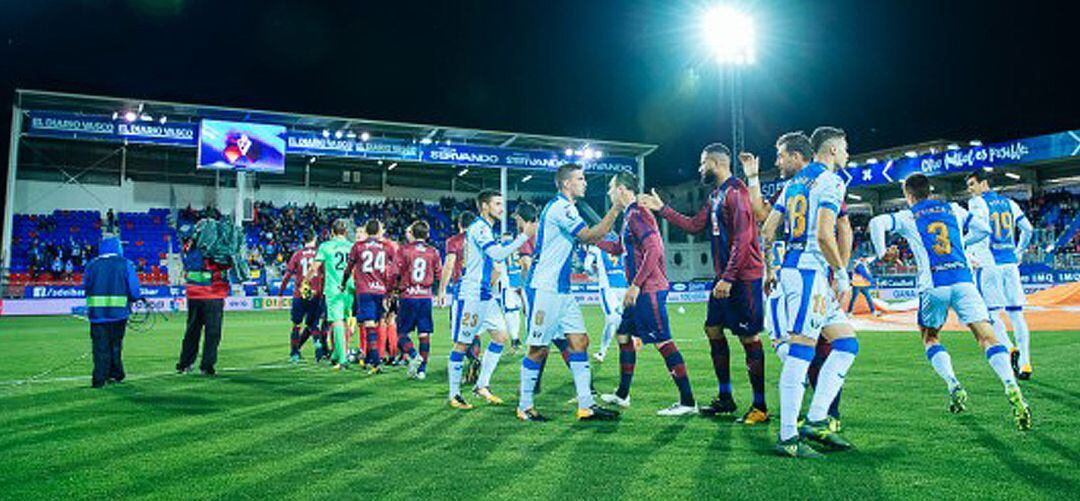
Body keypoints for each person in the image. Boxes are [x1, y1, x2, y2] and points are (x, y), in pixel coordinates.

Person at [870, 173, 1032, 429]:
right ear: (929, 190)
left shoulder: (907, 215)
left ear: (908, 194)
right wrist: (961, 243)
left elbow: (876, 223)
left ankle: (953, 384)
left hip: (933, 284)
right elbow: (984, 229)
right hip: (964, 280)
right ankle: (1010, 385)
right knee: (987, 337)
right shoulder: (953, 208)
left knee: (930, 337)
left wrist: (882, 252)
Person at [638, 142, 768, 424]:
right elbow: (695, 225)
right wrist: (663, 209)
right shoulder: (716, 195)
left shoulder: (737, 192)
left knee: (749, 338)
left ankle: (760, 407)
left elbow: (744, 240)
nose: (699, 168)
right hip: (725, 278)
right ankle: (726, 397)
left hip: (743, 278)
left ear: (716, 163)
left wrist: (729, 277)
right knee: (712, 329)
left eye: (702, 163)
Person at [760, 126, 859, 458]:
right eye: (844, 148)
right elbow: (823, 235)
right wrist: (842, 275)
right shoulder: (831, 181)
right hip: (808, 274)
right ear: (831, 151)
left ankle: (816, 420)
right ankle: (788, 438)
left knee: (846, 344)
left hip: (797, 270)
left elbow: (768, 229)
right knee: (802, 352)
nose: (847, 154)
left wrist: (771, 268)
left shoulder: (792, 184)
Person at [516, 163, 622, 422]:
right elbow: (588, 235)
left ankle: (586, 405)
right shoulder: (561, 207)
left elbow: (593, 237)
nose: (585, 182)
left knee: (579, 342)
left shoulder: (567, 207)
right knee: (538, 349)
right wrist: (617, 208)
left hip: (562, 289)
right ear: (566, 184)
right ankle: (524, 406)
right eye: (580, 178)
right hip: (546, 288)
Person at [597, 172, 697, 416]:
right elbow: (620, 248)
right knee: (623, 335)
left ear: (621, 189)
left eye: (611, 188)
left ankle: (688, 401)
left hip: (648, 290)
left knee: (663, 342)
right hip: (641, 291)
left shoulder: (637, 214)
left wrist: (636, 285)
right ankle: (622, 394)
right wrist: (592, 240)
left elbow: (654, 248)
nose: (610, 193)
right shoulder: (630, 216)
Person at [447, 190, 535, 409]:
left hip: (485, 293)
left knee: (500, 336)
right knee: (462, 343)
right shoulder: (479, 228)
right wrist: (524, 237)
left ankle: (481, 385)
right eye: (497, 203)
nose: (501, 208)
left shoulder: (485, 229)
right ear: (484, 206)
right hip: (472, 295)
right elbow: (497, 254)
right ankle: (454, 394)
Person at [965, 170, 1035, 379]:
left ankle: (1008, 347)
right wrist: (1019, 250)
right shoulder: (1010, 203)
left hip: (989, 264)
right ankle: (1026, 364)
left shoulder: (977, 203)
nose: (970, 190)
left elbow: (981, 230)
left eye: (972, 184)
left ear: (984, 184)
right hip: (1010, 265)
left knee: (991, 314)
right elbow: (1028, 229)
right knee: (1016, 314)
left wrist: (963, 246)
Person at [83, 236, 142, 388]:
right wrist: (135, 298)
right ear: (117, 247)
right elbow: (134, 290)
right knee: (115, 345)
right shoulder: (126, 264)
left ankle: (99, 378)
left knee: (99, 346)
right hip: (118, 314)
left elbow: (86, 287)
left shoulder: (91, 265)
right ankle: (116, 374)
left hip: (97, 314)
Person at [177, 221, 233, 376]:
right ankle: (206, 366)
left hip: (194, 294)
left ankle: (185, 364)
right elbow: (228, 264)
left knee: (192, 331)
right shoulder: (217, 250)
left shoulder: (189, 247)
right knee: (213, 333)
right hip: (213, 295)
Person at [343, 220, 395, 374]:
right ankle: (376, 357)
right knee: (380, 324)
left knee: (369, 325)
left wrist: (343, 282)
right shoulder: (387, 247)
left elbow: (349, 268)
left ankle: (375, 361)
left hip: (364, 290)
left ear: (366, 231)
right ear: (379, 230)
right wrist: (392, 289)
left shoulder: (358, 246)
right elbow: (396, 268)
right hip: (381, 290)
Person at [395, 220, 442, 380]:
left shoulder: (404, 250)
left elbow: (395, 272)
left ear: (412, 234)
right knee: (424, 333)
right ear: (427, 235)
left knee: (401, 333)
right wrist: (438, 292)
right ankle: (422, 370)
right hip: (425, 297)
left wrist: (393, 290)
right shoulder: (433, 252)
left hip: (408, 296)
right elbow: (439, 275)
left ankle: (414, 355)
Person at [307, 219, 354, 369]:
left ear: (332, 232)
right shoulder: (353, 246)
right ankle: (337, 354)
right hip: (350, 287)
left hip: (334, 288)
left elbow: (315, 267)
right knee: (345, 320)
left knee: (337, 321)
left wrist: (305, 281)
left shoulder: (326, 246)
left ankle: (342, 358)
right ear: (345, 232)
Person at [584, 239, 628, 364]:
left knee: (612, 319)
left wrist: (593, 275)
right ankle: (602, 352)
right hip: (623, 286)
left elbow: (587, 266)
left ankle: (631, 339)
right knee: (613, 321)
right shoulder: (621, 246)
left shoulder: (595, 247)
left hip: (608, 288)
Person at [279, 230, 320, 362]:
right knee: (314, 325)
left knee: (297, 325)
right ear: (314, 238)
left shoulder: (297, 255)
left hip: (299, 294)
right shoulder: (320, 254)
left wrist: (281, 293)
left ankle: (294, 354)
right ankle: (319, 353)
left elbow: (287, 275)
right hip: (315, 294)